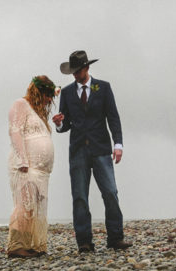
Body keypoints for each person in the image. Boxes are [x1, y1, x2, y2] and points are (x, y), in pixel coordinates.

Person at [53, 50, 130, 253]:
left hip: (102, 149)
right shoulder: (68, 93)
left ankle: (115, 237)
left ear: (87, 68)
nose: (75, 75)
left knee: (111, 193)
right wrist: (59, 124)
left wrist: (118, 144)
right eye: (73, 72)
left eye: (78, 71)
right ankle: (84, 242)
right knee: (79, 197)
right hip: (78, 150)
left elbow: (113, 117)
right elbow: (65, 123)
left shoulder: (103, 88)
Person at [7, 75, 58, 258]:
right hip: (26, 166)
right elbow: (15, 132)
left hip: (41, 171)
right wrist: (22, 160)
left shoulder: (38, 113)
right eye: (48, 95)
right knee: (25, 204)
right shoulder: (20, 104)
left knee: (36, 206)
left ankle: (31, 245)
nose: (50, 100)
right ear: (39, 92)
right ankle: (16, 246)